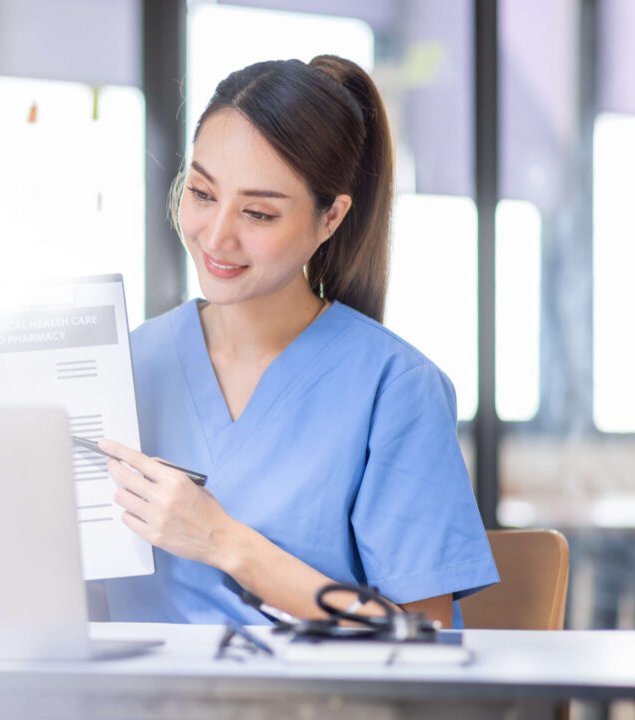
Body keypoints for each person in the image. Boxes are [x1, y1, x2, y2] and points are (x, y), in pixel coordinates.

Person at [98, 56, 499, 628]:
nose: (216, 237)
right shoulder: (126, 367)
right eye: (203, 193)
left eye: (258, 213)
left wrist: (224, 541)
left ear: (330, 217)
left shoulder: (395, 388)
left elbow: (421, 636)